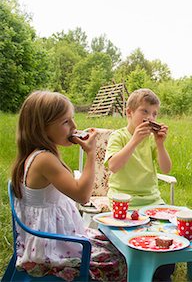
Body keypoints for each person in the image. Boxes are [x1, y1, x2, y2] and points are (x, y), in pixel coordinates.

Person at [11, 91, 127, 281]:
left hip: (54, 237)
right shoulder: (44, 159)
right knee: (119, 259)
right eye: (66, 122)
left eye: (72, 119)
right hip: (50, 249)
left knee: (112, 242)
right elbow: (83, 196)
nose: (74, 127)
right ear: (41, 128)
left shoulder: (37, 154)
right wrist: (90, 153)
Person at [104, 88, 174, 281]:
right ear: (129, 112)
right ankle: (141, 271)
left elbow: (166, 169)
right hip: (123, 201)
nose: (149, 117)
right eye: (144, 111)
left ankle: (160, 272)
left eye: (154, 114)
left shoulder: (152, 140)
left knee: (167, 240)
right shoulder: (119, 136)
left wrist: (160, 143)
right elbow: (114, 166)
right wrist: (134, 140)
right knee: (138, 243)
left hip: (152, 200)